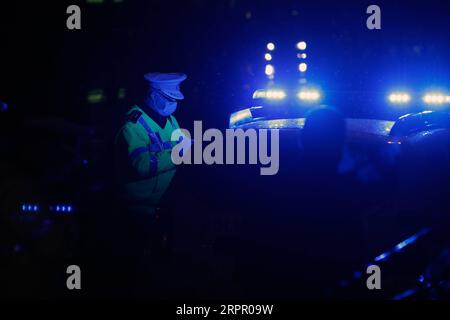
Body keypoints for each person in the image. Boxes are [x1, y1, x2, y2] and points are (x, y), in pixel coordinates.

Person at [110, 72, 187, 297]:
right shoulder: (133, 125)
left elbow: (177, 147)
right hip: (135, 210)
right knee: (132, 269)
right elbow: (142, 165)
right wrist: (178, 155)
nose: (174, 104)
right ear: (154, 96)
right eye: (169, 99)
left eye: (176, 100)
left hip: (159, 206)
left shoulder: (170, 120)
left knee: (158, 265)